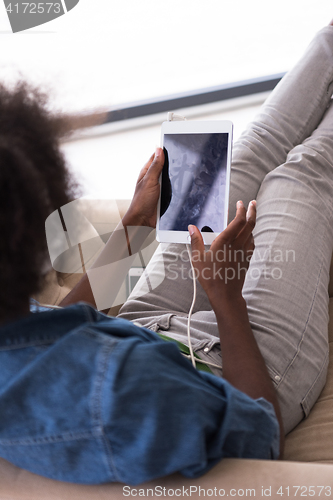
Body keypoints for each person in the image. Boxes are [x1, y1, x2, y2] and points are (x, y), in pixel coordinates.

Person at [0, 19, 332, 486]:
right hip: (238, 361)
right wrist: (225, 297)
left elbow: (47, 336)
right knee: (299, 176)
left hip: (139, 325)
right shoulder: (129, 394)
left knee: (240, 155)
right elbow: (261, 435)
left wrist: (135, 224)